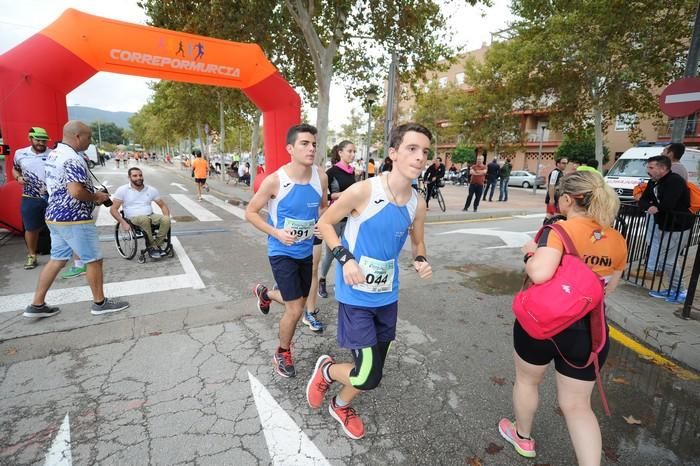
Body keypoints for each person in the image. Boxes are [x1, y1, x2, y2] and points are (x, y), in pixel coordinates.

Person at [305, 123, 433, 440]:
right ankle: (326, 370)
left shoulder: (418, 202)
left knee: (372, 369)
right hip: (356, 296)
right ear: (393, 153)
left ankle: (340, 404)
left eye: (425, 152)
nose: (420, 158)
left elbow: (418, 242)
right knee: (368, 375)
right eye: (412, 149)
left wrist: (420, 259)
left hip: (387, 296)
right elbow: (325, 222)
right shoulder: (366, 190)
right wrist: (346, 259)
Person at [500, 171, 627, 465]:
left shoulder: (558, 231)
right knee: (578, 405)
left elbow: (539, 273)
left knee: (527, 382)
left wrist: (531, 253)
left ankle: (522, 437)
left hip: (541, 324)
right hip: (588, 330)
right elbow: (610, 287)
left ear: (568, 199)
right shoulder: (617, 240)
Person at [246, 124, 328, 378]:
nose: (311, 148)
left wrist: (321, 225)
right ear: (290, 149)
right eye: (304, 143)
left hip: (305, 251)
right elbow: (250, 212)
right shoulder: (275, 181)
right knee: (294, 310)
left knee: (300, 302)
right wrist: (277, 232)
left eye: (313, 143)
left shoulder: (321, 177)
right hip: (281, 251)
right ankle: (282, 353)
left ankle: (266, 293)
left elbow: (323, 208)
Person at [23, 121, 129, 318]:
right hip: (74, 218)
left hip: (54, 216)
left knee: (57, 259)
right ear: (78, 137)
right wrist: (96, 197)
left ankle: (37, 304)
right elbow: (76, 191)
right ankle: (100, 303)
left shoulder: (54, 154)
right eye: (88, 138)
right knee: (94, 260)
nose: (90, 142)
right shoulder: (73, 159)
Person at [639, 155, 692, 303]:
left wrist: (655, 207)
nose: (647, 170)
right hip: (664, 225)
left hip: (678, 227)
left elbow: (668, 204)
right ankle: (675, 289)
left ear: (663, 168)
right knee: (666, 259)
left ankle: (680, 290)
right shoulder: (654, 182)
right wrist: (649, 206)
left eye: (651, 167)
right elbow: (642, 201)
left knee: (668, 260)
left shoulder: (675, 181)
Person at [318, 141, 358, 299]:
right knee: (331, 252)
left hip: (350, 217)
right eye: (349, 151)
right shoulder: (331, 172)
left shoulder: (352, 171)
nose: (352, 154)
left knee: (348, 251)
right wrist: (342, 195)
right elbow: (325, 196)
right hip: (335, 217)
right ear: (340, 152)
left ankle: (341, 283)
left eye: (354, 151)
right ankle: (322, 280)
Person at [110, 167, 171, 259]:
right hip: (133, 218)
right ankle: (153, 246)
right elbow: (113, 209)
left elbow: (163, 206)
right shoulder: (122, 190)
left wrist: (166, 217)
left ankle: (156, 244)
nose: (138, 177)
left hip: (151, 215)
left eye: (140, 175)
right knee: (144, 219)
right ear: (129, 177)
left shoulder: (151, 190)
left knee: (166, 219)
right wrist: (123, 222)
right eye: (135, 176)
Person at [12, 127, 51, 270]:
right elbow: (15, 168)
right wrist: (18, 177)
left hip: (51, 196)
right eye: (38, 140)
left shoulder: (53, 154)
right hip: (30, 196)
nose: (41, 143)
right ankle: (32, 255)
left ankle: (62, 254)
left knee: (58, 225)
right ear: (31, 139)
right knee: (31, 228)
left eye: (44, 140)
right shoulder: (20, 153)